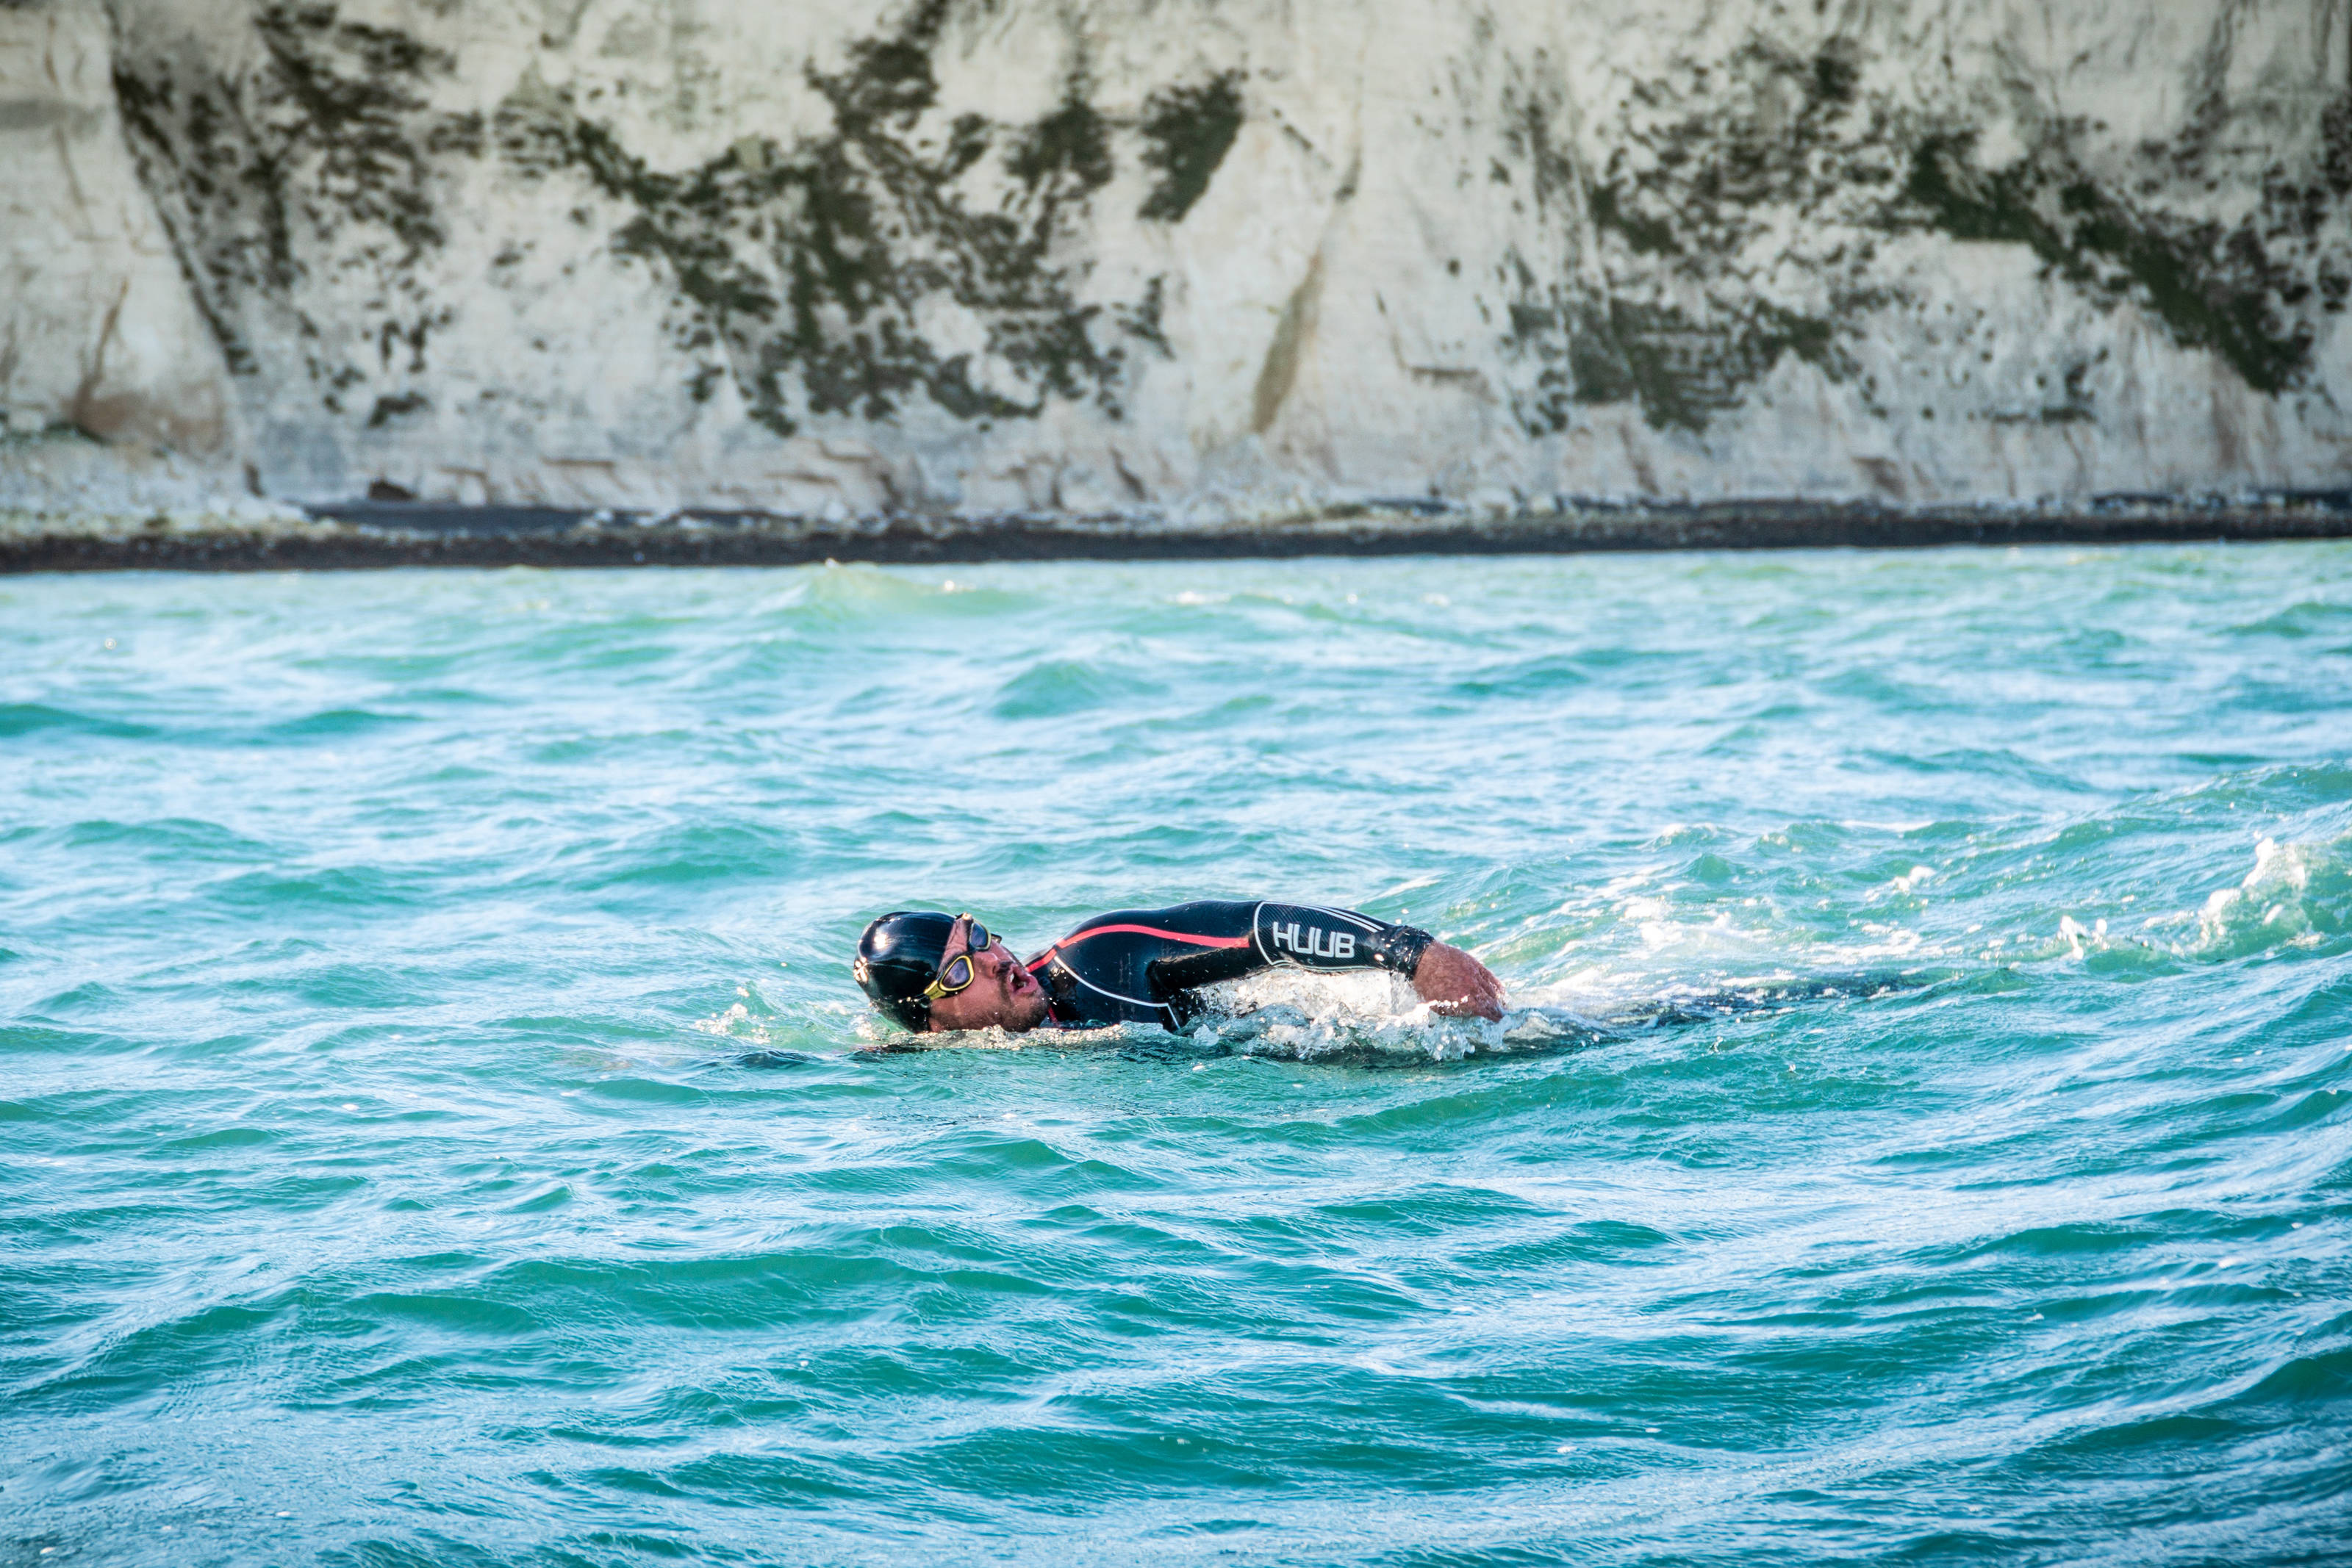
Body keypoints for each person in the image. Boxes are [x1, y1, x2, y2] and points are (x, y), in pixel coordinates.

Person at [852, 900, 1504, 1035]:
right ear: (932, 1024)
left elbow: (1265, 930)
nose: (998, 962)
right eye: (961, 973)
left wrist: (1412, 954)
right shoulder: (949, 1076)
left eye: (981, 938)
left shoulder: (1100, 960)